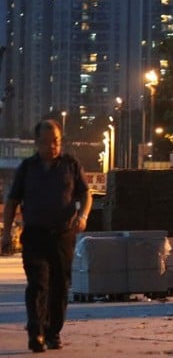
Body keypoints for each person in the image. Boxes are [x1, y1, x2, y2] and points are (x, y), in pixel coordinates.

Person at [1, 119, 92, 352]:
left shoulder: (70, 165)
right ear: (36, 143)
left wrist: (82, 216)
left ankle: (53, 332)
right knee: (37, 284)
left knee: (60, 286)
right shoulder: (27, 168)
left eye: (56, 142)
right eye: (46, 142)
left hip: (63, 235)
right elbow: (12, 201)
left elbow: (85, 194)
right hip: (34, 235)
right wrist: (7, 232)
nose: (52, 147)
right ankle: (36, 332)